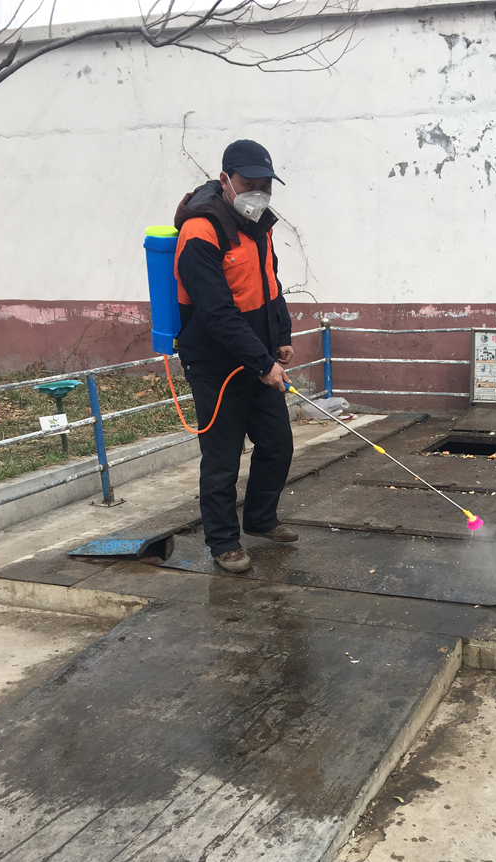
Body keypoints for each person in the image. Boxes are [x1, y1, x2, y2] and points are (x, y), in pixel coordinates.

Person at [173, 139, 298, 573]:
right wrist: (263, 363)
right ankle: (224, 542)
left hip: (259, 357)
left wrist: (281, 335)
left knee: (277, 445)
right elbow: (217, 313)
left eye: (266, 185)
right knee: (223, 458)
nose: (258, 193)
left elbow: (270, 284)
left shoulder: (259, 223)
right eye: (249, 183)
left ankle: (261, 519)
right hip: (215, 363)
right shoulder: (201, 230)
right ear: (226, 180)